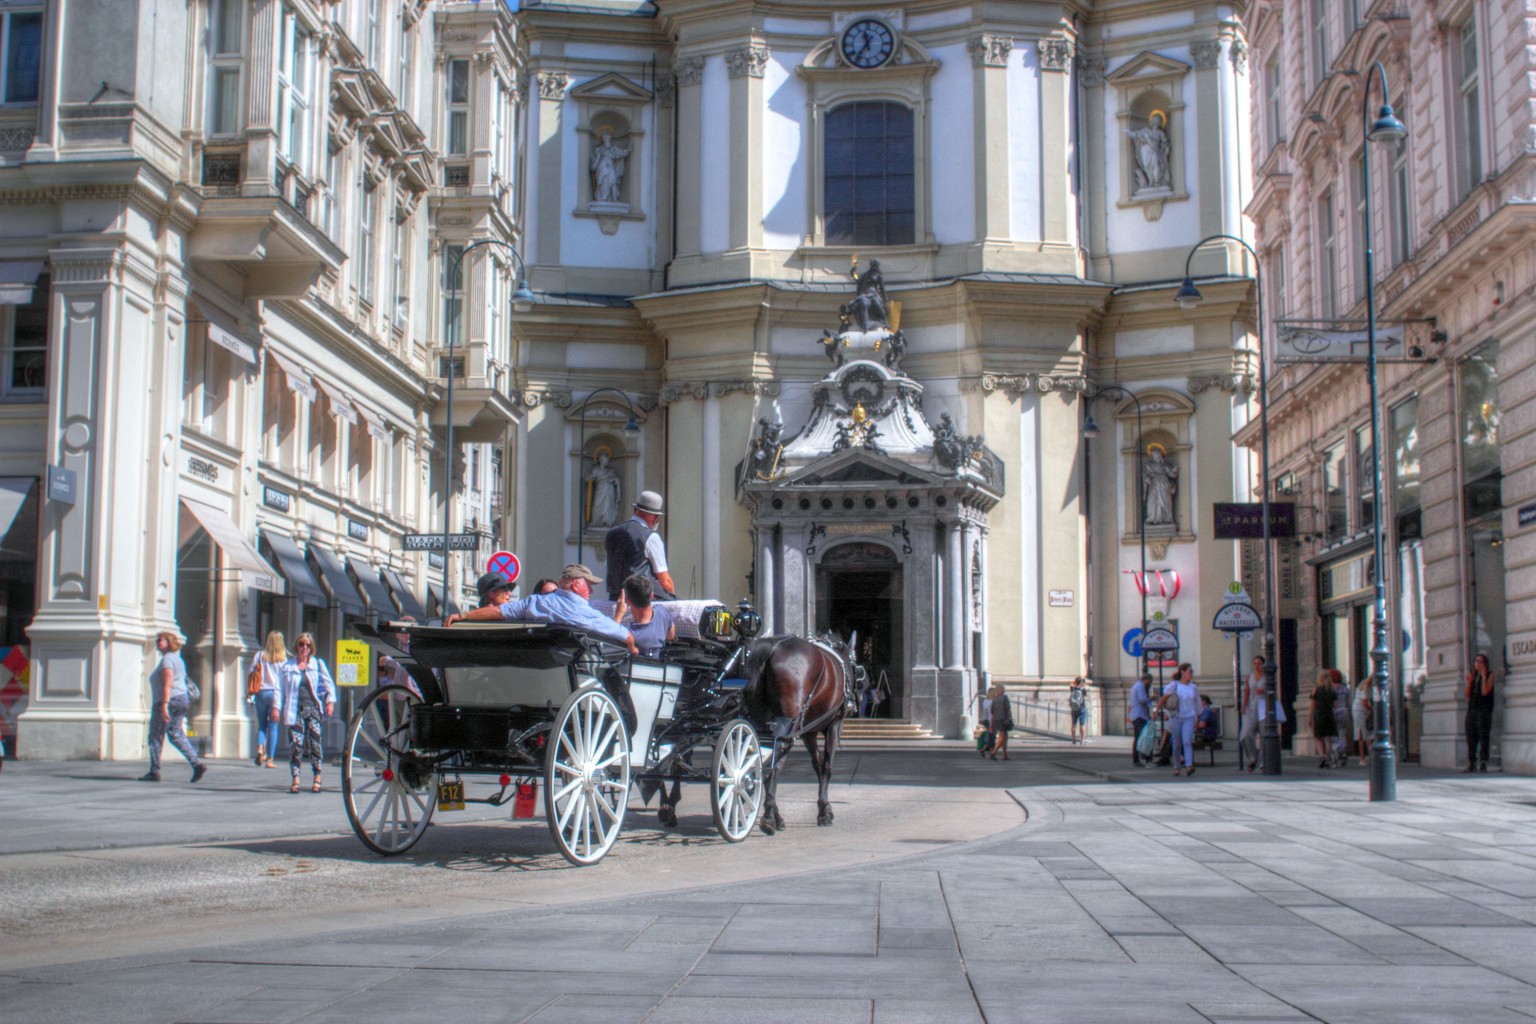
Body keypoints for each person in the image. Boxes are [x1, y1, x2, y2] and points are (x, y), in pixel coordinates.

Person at [447, 563, 637, 654]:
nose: (591, 590)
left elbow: (498, 612)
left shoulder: (535, 602)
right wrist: (633, 647)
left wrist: (462, 615)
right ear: (576, 584)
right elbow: (627, 636)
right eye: (588, 584)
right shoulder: (585, 612)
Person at [140, 632, 207, 784]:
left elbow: (168, 682)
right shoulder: (178, 659)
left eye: (160, 640)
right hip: (182, 698)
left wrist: (164, 705)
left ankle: (154, 770)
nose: (157, 642)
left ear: (168, 642)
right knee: (176, 734)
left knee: (156, 735)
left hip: (168, 700)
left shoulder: (167, 660)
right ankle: (196, 763)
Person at [283, 633, 335, 794]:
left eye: (307, 645)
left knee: (315, 744)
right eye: (301, 644)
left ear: (311, 648)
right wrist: (276, 708)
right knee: (296, 745)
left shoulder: (317, 664)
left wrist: (330, 702)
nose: (304, 648)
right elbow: (280, 689)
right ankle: (296, 778)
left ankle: (317, 776)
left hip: (313, 709)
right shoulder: (288, 666)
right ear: (296, 646)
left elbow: (329, 685)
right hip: (295, 710)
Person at [603, 490, 675, 601]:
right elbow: (665, 581)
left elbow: (609, 568)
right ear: (654, 517)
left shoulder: (611, 533)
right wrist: (673, 600)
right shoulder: (651, 537)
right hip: (642, 599)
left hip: (615, 597)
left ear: (635, 510)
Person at [614, 574, 675, 658]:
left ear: (628, 601)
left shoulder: (632, 635)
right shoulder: (662, 612)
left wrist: (619, 613)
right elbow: (671, 635)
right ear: (652, 596)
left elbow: (611, 644)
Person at [250, 631, 287, 769]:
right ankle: (270, 759)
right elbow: (284, 680)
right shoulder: (282, 660)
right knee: (273, 726)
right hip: (275, 694)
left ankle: (260, 748)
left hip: (260, 692)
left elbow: (251, 672)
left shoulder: (259, 655)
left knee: (262, 724)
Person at [1156, 663, 1199, 777]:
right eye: (1190, 671)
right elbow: (1163, 699)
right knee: (1176, 743)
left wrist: (1197, 718)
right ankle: (1177, 766)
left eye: (1192, 672)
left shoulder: (1193, 687)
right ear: (1183, 672)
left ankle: (1189, 765)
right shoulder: (1174, 685)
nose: (1191, 674)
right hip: (1176, 717)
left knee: (1187, 740)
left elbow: (1196, 704)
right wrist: (1156, 712)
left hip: (1189, 717)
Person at [1465, 652, 1497, 773]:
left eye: (1480, 662)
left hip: (1484, 710)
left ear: (1485, 664)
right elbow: (1467, 695)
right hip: (1472, 709)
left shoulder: (1490, 675)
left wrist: (1483, 677)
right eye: (1476, 661)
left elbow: (1485, 692)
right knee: (1471, 736)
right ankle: (1471, 762)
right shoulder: (1473, 676)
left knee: (1483, 736)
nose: (1477, 664)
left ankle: (1483, 762)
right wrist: (1469, 683)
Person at [1127, 113, 1171, 193]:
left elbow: (1165, 143)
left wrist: (1166, 149)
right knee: (1147, 166)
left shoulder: (1160, 133)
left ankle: (1156, 182)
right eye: (1153, 120)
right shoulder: (1145, 131)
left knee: (1156, 164)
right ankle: (1151, 181)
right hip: (1145, 151)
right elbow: (1136, 135)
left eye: (1156, 120)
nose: (1154, 122)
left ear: (1159, 122)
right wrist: (1129, 132)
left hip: (1155, 151)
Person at [590, 130, 630, 203]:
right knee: (603, 180)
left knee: (613, 180)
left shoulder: (613, 149)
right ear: (602, 139)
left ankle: (614, 198)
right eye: (605, 138)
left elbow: (620, 154)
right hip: (602, 167)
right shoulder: (598, 149)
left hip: (610, 167)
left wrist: (628, 150)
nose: (607, 139)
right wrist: (600, 155)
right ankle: (603, 197)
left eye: (608, 138)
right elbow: (594, 163)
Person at [1309, 670, 1338, 768]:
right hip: (1329, 715)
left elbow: (1312, 705)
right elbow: (1335, 705)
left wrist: (1309, 717)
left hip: (1319, 715)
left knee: (1318, 737)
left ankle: (1322, 756)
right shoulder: (1332, 690)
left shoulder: (1316, 690)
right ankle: (1329, 757)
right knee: (1327, 738)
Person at [1239, 656, 1263, 772]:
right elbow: (1246, 692)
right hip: (1252, 710)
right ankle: (1254, 757)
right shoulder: (1250, 677)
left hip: (1264, 710)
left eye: (1259, 663)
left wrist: (1265, 691)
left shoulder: (1268, 677)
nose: (1257, 666)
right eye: (1255, 663)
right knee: (1244, 735)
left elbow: (1274, 692)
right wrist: (1243, 705)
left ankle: (1262, 763)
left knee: (1265, 737)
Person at [1142, 447, 1178, 526]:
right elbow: (1145, 474)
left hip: (1163, 484)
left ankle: (1165, 518)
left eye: (1157, 454)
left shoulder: (1165, 464)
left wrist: (1174, 471)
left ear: (1160, 455)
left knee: (1165, 500)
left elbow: (1171, 474)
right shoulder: (1149, 464)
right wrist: (1146, 478)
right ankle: (1152, 518)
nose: (1155, 456)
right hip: (1153, 484)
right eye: (1154, 454)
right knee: (1152, 500)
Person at [585, 451, 621, 529]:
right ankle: (595, 521)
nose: (606, 461)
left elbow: (616, 479)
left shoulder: (610, 471)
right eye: (605, 459)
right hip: (600, 489)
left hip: (609, 490)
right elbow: (592, 478)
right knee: (597, 504)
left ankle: (607, 522)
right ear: (601, 460)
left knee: (608, 505)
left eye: (607, 460)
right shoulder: (596, 469)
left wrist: (613, 479)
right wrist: (589, 478)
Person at [1128, 671, 1152, 767]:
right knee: (1142, 738)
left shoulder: (1135, 686)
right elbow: (1142, 700)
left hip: (1136, 715)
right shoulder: (1141, 686)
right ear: (1146, 680)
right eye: (1150, 682)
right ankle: (1139, 759)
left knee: (1138, 737)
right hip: (1140, 715)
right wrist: (1151, 699)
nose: (1149, 684)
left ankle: (1139, 758)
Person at [987, 683, 1013, 760]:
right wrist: (1009, 718)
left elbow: (992, 712)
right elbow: (1008, 709)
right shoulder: (1005, 698)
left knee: (1004, 737)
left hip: (996, 720)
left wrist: (991, 723)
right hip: (1003, 719)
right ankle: (994, 751)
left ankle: (1005, 755)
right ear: (1002, 690)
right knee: (1002, 737)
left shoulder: (994, 699)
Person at [1331, 669, 1352, 767]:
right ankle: (1343, 750)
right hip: (1344, 711)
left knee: (1333, 734)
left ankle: (1335, 752)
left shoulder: (1330, 689)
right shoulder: (1345, 689)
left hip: (1333, 712)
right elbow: (1348, 702)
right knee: (1342, 732)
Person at [1068, 676, 1089, 745]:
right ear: (1081, 682)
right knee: (1082, 724)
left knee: (1073, 724)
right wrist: (1082, 684)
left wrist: (1075, 683)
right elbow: (1086, 695)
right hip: (1082, 707)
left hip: (1074, 708)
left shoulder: (1073, 688)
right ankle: (1082, 740)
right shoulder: (1083, 690)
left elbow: (1071, 684)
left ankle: (1073, 740)